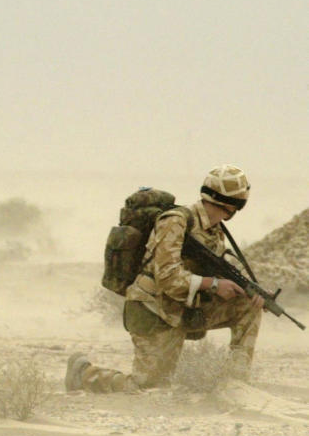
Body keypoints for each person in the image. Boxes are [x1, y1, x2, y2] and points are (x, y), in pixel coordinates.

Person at [67, 165, 264, 393]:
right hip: (153, 310)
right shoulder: (176, 221)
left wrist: (243, 290)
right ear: (233, 205)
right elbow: (167, 277)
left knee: (248, 306)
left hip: (182, 308)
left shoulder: (214, 231)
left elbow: (208, 274)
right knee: (146, 388)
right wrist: (215, 285)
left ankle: (236, 385)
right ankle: (84, 374)